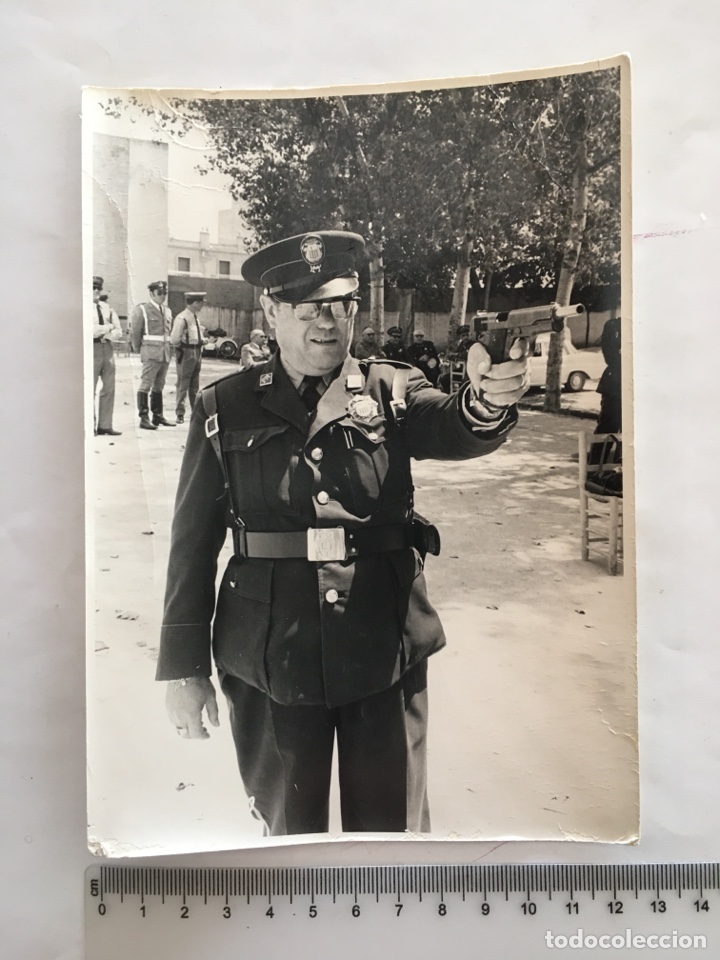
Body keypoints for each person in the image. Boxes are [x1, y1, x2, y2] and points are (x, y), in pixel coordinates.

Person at [157, 229, 529, 837]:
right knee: (286, 840)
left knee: (393, 842)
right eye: (311, 309)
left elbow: (453, 423)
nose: (329, 323)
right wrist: (183, 666)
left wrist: (486, 404)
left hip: (382, 644)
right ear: (272, 311)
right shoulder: (224, 406)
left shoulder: (391, 389)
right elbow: (191, 543)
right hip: (271, 653)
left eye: (342, 306)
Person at [130, 280, 175, 430]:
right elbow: (135, 332)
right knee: (146, 384)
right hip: (151, 353)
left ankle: (158, 415)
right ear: (151, 294)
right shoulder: (142, 309)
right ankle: (144, 417)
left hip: (165, 353)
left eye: (164, 293)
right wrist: (139, 349)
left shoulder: (167, 310)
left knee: (159, 385)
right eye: (159, 293)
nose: (162, 296)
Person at [91, 276, 122, 436]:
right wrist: (108, 327)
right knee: (90, 388)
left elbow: (119, 332)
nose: (96, 290)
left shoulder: (107, 308)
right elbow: (90, 330)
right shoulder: (83, 307)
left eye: (99, 288)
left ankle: (105, 425)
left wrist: (106, 331)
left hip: (107, 349)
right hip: (91, 349)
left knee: (109, 388)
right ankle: (90, 425)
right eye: (93, 287)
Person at [171, 292, 207, 425]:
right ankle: (180, 413)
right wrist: (184, 348)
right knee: (183, 384)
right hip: (186, 352)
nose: (203, 304)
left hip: (197, 352)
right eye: (201, 302)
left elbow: (196, 334)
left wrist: (202, 340)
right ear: (195, 302)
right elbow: (174, 339)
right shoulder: (182, 318)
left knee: (194, 385)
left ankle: (195, 413)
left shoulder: (195, 318)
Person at [596, 316, 622, 434]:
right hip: (616, 385)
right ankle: (597, 453)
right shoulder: (614, 326)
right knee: (608, 429)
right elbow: (611, 357)